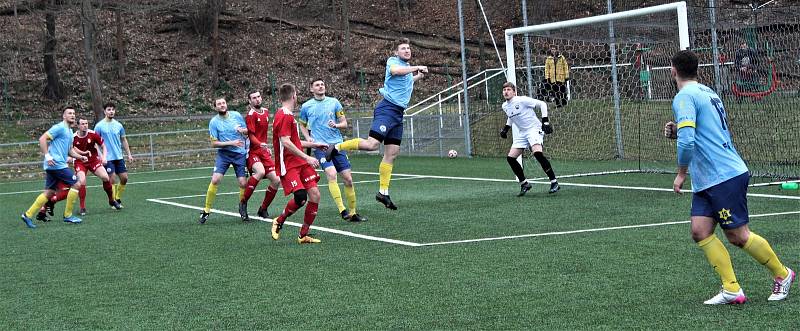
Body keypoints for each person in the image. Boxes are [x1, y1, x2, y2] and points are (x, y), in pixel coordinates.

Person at [664, 50, 794, 304]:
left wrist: (681, 174)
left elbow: (689, 140)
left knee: (738, 236)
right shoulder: (707, 92)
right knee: (700, 231)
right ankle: (732, 289)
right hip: (709, 178)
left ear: (673, 71)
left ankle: (783, 274)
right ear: (697, 69)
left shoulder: (684, 97)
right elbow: (702, 132)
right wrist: (678, 131)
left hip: (723, 175)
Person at [328, 38, 427, 210]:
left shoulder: (408, 70)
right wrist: (416, 67)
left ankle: (383, 192)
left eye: (408, 48)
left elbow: (406, 82)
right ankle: (337, 147)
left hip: (398, 114)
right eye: (403, 48)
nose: (406, 50)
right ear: (396, 52)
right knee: (372, 144)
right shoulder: (393, 62)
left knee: (392, 153)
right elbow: (396, 72)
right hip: (387, 109)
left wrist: (418, 76)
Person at [299, 79, 367, 222]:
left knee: (348, 179)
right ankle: (342, 210)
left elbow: (344, 123)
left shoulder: (334, 102)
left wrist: (336, 125)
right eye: (317, 85)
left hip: (338, 146)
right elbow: (302, 125)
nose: (320, 86)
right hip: (321, 147)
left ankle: (353, 213)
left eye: (322, 84)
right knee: (331, 174)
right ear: (311, 89)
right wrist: (308, 138)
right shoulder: (306, 106)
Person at [270, 84, 329, 244]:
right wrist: (308, 157)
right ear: (294, 96)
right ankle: (279, 220)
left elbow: (294, 141)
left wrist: (314, 145)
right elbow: (285, 142)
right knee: (301, 197)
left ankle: (303, 235)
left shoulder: (288, 115)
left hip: (300, 162)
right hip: (289, 164)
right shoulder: (283, 116)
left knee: (315, 195)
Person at [20, 106, 87, 227]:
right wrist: (47, 156)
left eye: (73, 113)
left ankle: (27, 215)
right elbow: (42, 139)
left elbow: (70, 151)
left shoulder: (69, 131)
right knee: (77, 183)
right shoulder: (59, 127)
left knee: (49, 192)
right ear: (64, 116)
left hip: (54, 165)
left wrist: (80, 157)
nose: (72, 115)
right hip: (56, 164)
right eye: (69, 113)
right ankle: (68, 215)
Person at [499, 82, 560, 196]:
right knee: (511, 158)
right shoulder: (505, 106)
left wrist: (545, 121)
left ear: (514, 91)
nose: (506, 92)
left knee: (537, 154)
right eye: (504, 90)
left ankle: (554, 182)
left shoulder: (522, 100)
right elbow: (511, 115)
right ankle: (524, 184)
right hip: (522, 133)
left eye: (508, 89)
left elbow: (542, 104)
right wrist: (506, 128)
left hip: (534, 129)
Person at [198, 97, 250, 224]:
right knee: (215, 179)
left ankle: (243, 209)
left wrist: (243, 131)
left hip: (239, 155)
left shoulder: (236, 116)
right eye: (219, 104)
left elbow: (248, 132)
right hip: (224, 154)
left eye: (223, 103)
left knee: (243, 183)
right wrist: (231, 142)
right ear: (215, 107)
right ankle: (206, 210)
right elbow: (214, 143)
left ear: (226, 104)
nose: (222, 105)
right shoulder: (214, 122)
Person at [240, 90, 281, 220]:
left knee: (276, 179)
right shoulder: (250, 115)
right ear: (250, 101)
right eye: (254, 98)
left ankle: (263, 209)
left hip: (263, 151)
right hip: (253, 151)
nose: (257, 99)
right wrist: (260, 144)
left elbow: (263, 133)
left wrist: (265, 146)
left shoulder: (266, 112)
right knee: (260, 172)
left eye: (258, 97)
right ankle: (243, 202)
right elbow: (251, 135)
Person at [71, 118, 120, 215]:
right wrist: (77, 156)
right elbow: (71, 149)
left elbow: (103, 146)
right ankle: (82, 207)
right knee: (82, 181)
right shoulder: (73, 137)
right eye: (82, 124)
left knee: (105, 177)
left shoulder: (92, 134)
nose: (85, 125)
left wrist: (104, 157)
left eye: (86, 123)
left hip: (93, 160)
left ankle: (111, 200)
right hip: (79, 161)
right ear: (78, 126)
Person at [94, 102, 134, 208]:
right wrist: (101, 156)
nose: (111, 111)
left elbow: (123, 139)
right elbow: (95, 143)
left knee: (124, 178)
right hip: (107, 158)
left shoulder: (119, 125)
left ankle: (117, 197)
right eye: (109, 109)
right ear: (105, 111)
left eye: (112, 109)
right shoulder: (99, 126)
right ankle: (113, 201)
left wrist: (129, 154)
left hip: (119, 156)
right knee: (112, 179)